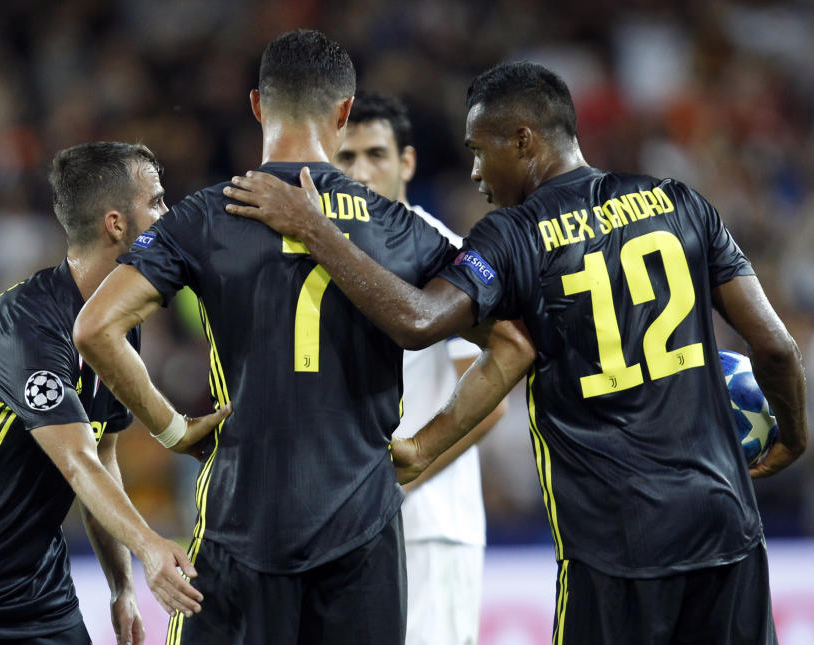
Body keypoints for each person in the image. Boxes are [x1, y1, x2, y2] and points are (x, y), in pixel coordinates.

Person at [222, 61, 809, 644]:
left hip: (614, 546)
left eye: (481, 149)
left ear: (523, 140)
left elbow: (419, 321)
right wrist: (795, 434)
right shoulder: (681, 201)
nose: (476, 172)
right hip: (727, 526)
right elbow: (775, 347)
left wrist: (315, 229)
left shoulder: (512, 235)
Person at [74, 30, 533, 645]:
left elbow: (95, 329)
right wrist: (424, 447)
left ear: (258, 106)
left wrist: (172, 429)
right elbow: (514, 346)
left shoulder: (210, 213)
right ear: (344, 114)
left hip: (239, 522)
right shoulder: (398, 226)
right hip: (362, 526)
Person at [0, 142, 230, 645]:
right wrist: (149, 546)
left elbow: (103, 457)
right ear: (115, 224)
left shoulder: (118, 326)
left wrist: (121, 585)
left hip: (36, 589)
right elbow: (77, 462)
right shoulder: (26, 330)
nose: (168, 216)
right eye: (157, 202)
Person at [333, 90, 503, 645]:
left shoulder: (443, 253)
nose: (361, 171)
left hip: (431, 523)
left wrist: (402, 483)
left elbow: (493, 398)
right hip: (343, 523)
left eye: (376, 154)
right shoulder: (322, 258)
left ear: (406, 162)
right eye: (346, 157)